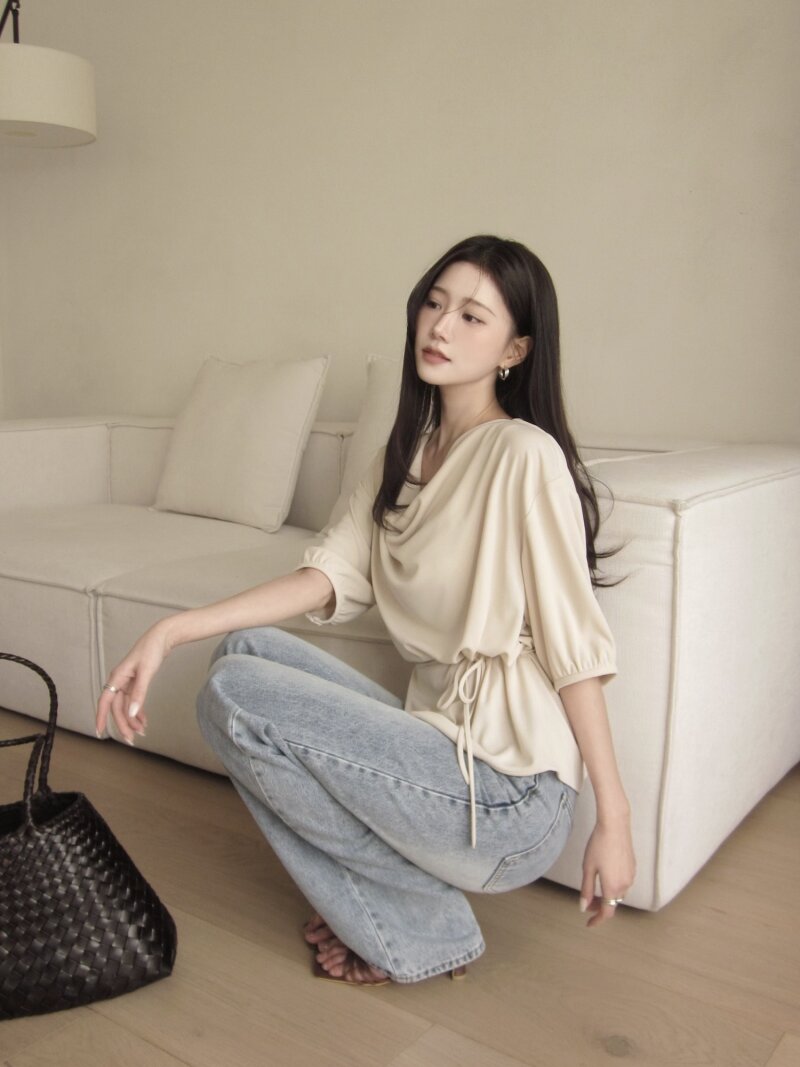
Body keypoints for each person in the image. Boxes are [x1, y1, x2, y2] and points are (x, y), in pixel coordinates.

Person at [96, 234, 636, 987]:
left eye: (472, 316)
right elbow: (323, 577)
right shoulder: (404, 456)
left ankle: (413, 927)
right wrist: (170, 630)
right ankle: (392, 910)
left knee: (234, 695)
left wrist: (614, 818)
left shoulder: (523, 455)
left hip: (509, 793)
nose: (440, 326)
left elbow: (574, 647)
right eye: (434, 304)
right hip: (438, 749)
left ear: (515, 349)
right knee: (242, 654)